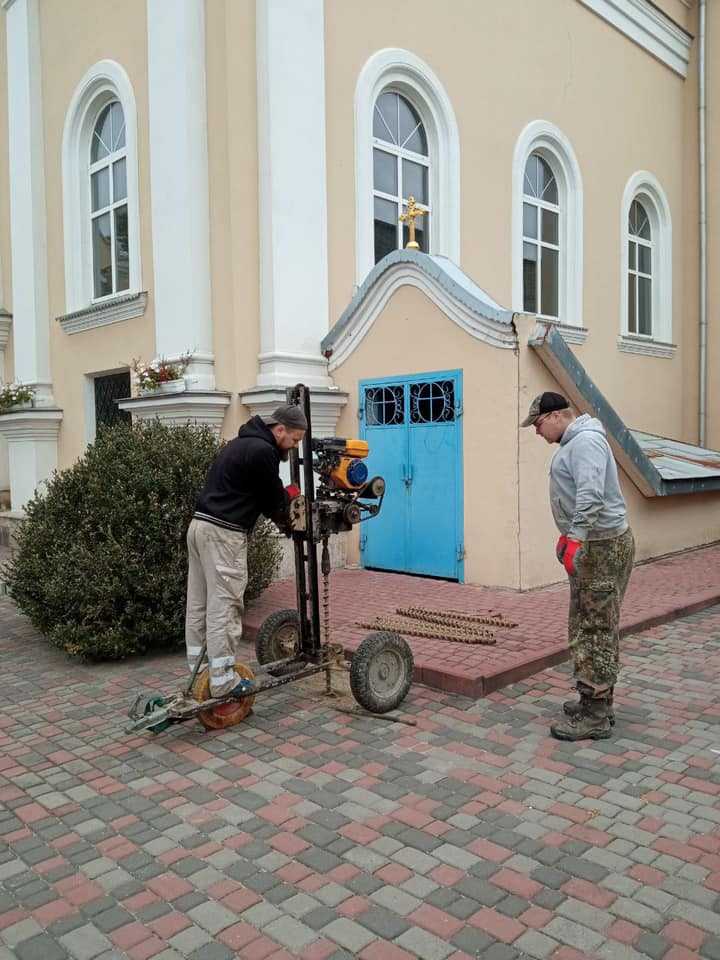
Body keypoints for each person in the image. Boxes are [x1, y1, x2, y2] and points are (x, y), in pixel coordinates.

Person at [521, 391, 635, 741]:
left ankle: (596, 715)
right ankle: (597, 701)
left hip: (601, 547)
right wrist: (570, 534)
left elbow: (590, 494)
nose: (537, 433)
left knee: (594, 628)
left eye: (539, 424)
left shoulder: (585, 443)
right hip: (594, 543)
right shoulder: (576, 443)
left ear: (557, 416)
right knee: (590, 623)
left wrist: (577, 537)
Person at [185, 404, 306, 698]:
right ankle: (223, 680)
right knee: (225, 605)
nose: (294, 447)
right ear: (280, 430)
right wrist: (291, 506)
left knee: (200, 602)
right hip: (224, 535)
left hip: (199, 527)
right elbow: (272, 500)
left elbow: (258, 492)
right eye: (294, 440)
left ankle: (200, 670)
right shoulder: (263, 452)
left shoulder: (239, 444)